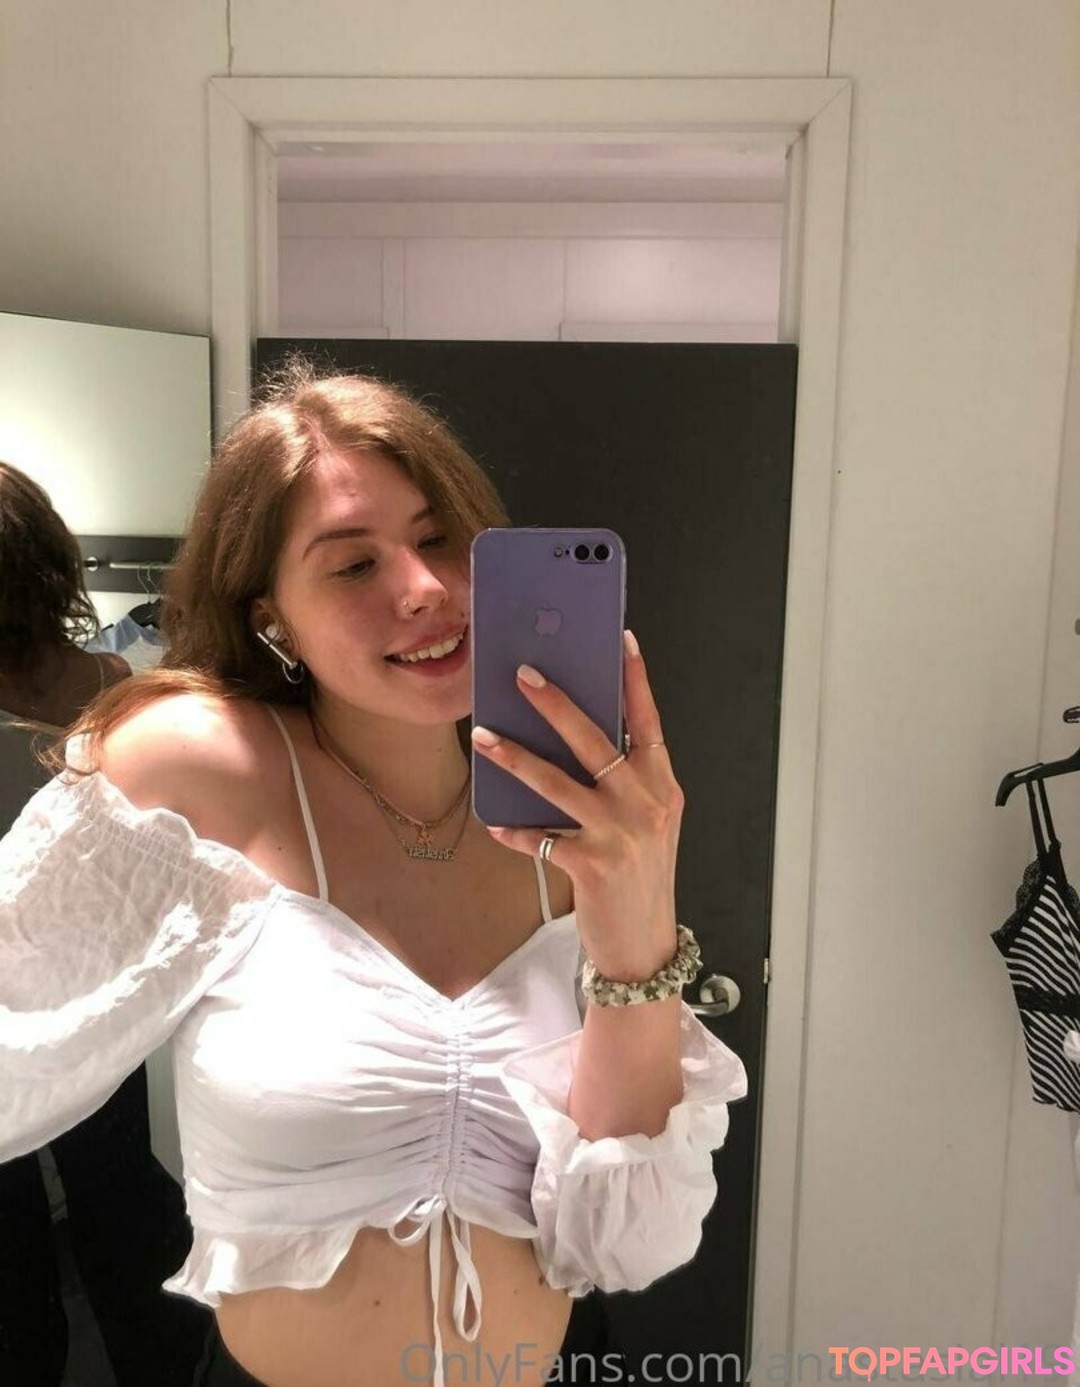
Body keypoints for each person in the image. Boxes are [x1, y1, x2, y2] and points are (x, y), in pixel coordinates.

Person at [0, 367, 748, 1387]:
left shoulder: (572, 827)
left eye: (441, 540)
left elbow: (631, 1240)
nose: (424, 588)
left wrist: (640, 914)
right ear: (272, 616)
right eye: (353, 564)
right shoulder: (198, 771)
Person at [0, 460, 211, 1385]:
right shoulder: (145, 696)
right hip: (124, 1012)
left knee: (18, 1254)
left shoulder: (144, 706)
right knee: (125, 1203)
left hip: (52, 1019)